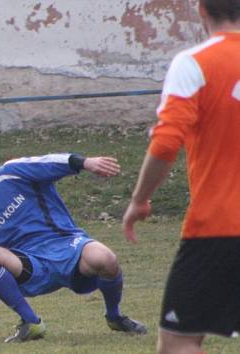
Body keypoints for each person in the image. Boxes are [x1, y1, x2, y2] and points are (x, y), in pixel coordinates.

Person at [122, 1, 240, 353]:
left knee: (178, 343)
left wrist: (139, 200)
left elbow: (166, 142)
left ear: (201, 10)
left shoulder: (194, 62)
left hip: (222, 225)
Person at [0, 152, 147, 342]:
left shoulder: (11, 173)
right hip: (32, 269)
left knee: (105, 258)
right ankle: (32, 323)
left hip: (67, 247)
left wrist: (86, 163)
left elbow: (50, 162)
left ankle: (115, 316)